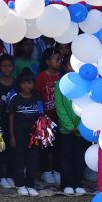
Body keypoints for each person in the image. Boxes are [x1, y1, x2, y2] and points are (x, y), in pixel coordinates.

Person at [54, 56, 87, 196]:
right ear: (65, 66)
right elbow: (59, 106)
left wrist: (81, 125)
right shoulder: (60, 83)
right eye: (71, 65)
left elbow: (88, 104)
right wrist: (69, 125)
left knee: (80, 156)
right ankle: (66, 184)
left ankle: (78, 183)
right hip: (66, 129)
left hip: (82, 128)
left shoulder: (86, 83)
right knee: (66, 156)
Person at [8, 70, 42, 197]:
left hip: (34, 136)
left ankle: (30, 184)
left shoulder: (37, 97)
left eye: (30, 83)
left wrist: (40, 133)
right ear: (20, 84)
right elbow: (11, 117)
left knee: (32, 160)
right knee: (19, 160)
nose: (27, 86)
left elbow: (41, 116)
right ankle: (20, 184)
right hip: (19, 134)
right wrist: (12, 136)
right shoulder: (15, 98)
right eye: (24, 83)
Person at [35, 48, 62, 186]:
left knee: (58, 146)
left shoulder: (62, 76)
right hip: (46, 117)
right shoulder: (41, 77)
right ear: (47, 61)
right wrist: (41, 115)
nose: (59, 60)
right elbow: (38, 96)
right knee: (45, 146)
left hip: (61, 117)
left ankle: (57, 170)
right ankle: (46, 171)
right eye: (56, 58)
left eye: (60, 58)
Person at [0, 55, 16, 189]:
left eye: (9, 65)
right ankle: (1, 176)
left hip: (13, 122)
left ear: (13, 67)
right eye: (4, 65)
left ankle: (10, 175)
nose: (7, 68)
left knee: (12, 148)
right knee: (0, 149)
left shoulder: (16, 83)